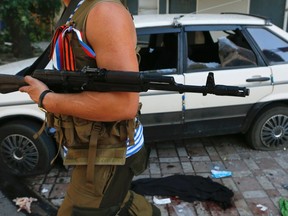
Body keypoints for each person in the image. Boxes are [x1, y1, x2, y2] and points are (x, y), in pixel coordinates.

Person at [19, 0, 161, 215]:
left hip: (108, 153)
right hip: (86, 146)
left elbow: (124, 104)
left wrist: (45, 97)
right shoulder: (73, 10)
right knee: (116, 202)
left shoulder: (104, 12)